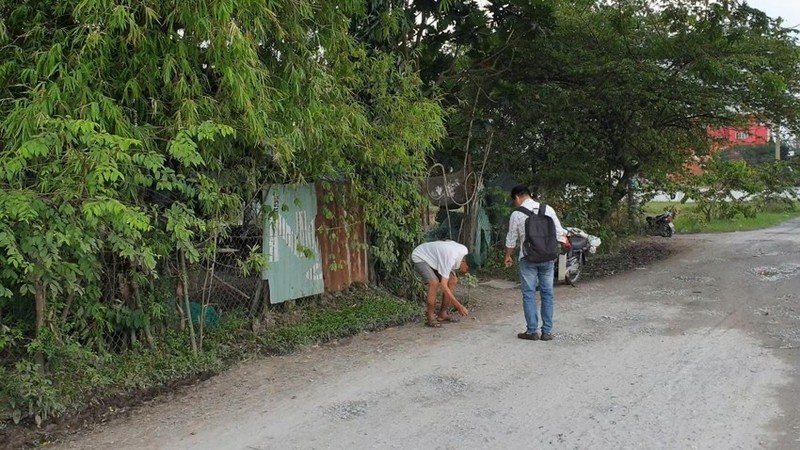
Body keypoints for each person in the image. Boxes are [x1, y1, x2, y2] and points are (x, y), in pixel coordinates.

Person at [504, 185, 566, 341]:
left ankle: (532, 331)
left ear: (517, 197)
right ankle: (547, 332)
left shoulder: (517, 214)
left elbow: (511, 239)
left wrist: (508, 256)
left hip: (528, 258)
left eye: (514, 200)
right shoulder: (548, 209)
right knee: (547, 293)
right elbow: (560, 233)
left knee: (529, 294)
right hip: (547, 258)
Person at [412, 240, 471, 327]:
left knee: (453, 280)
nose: (467, 272)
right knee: (434, 282)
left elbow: (449, 242)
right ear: (463, 262)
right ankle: (430, 318)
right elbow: (443, 285)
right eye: (468, 269)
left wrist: (449, 267)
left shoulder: (464, 251)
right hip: (421, 256)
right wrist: (458, 306)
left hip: (436, 258)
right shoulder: (450, 258)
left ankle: (443, 314)